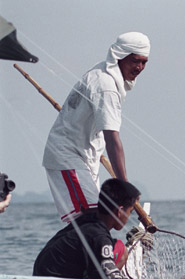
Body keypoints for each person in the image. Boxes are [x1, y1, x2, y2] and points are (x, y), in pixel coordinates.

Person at [42, 32, 150, 222]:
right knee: (91, 219)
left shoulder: (102, 73)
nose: (139, 67)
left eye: (144, 62)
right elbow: (112, 139)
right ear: (120, 56)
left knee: (102, 218)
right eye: (135, 61)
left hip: (86, 158)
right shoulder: (106, 86)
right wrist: (125, 187)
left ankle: (101, 251)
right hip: (68, 157)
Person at [32, 179, 140, 279]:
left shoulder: (87, 220)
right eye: (130, 212)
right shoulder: (99, 236)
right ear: (120, 211)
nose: (128, 217)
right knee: (121, 250)